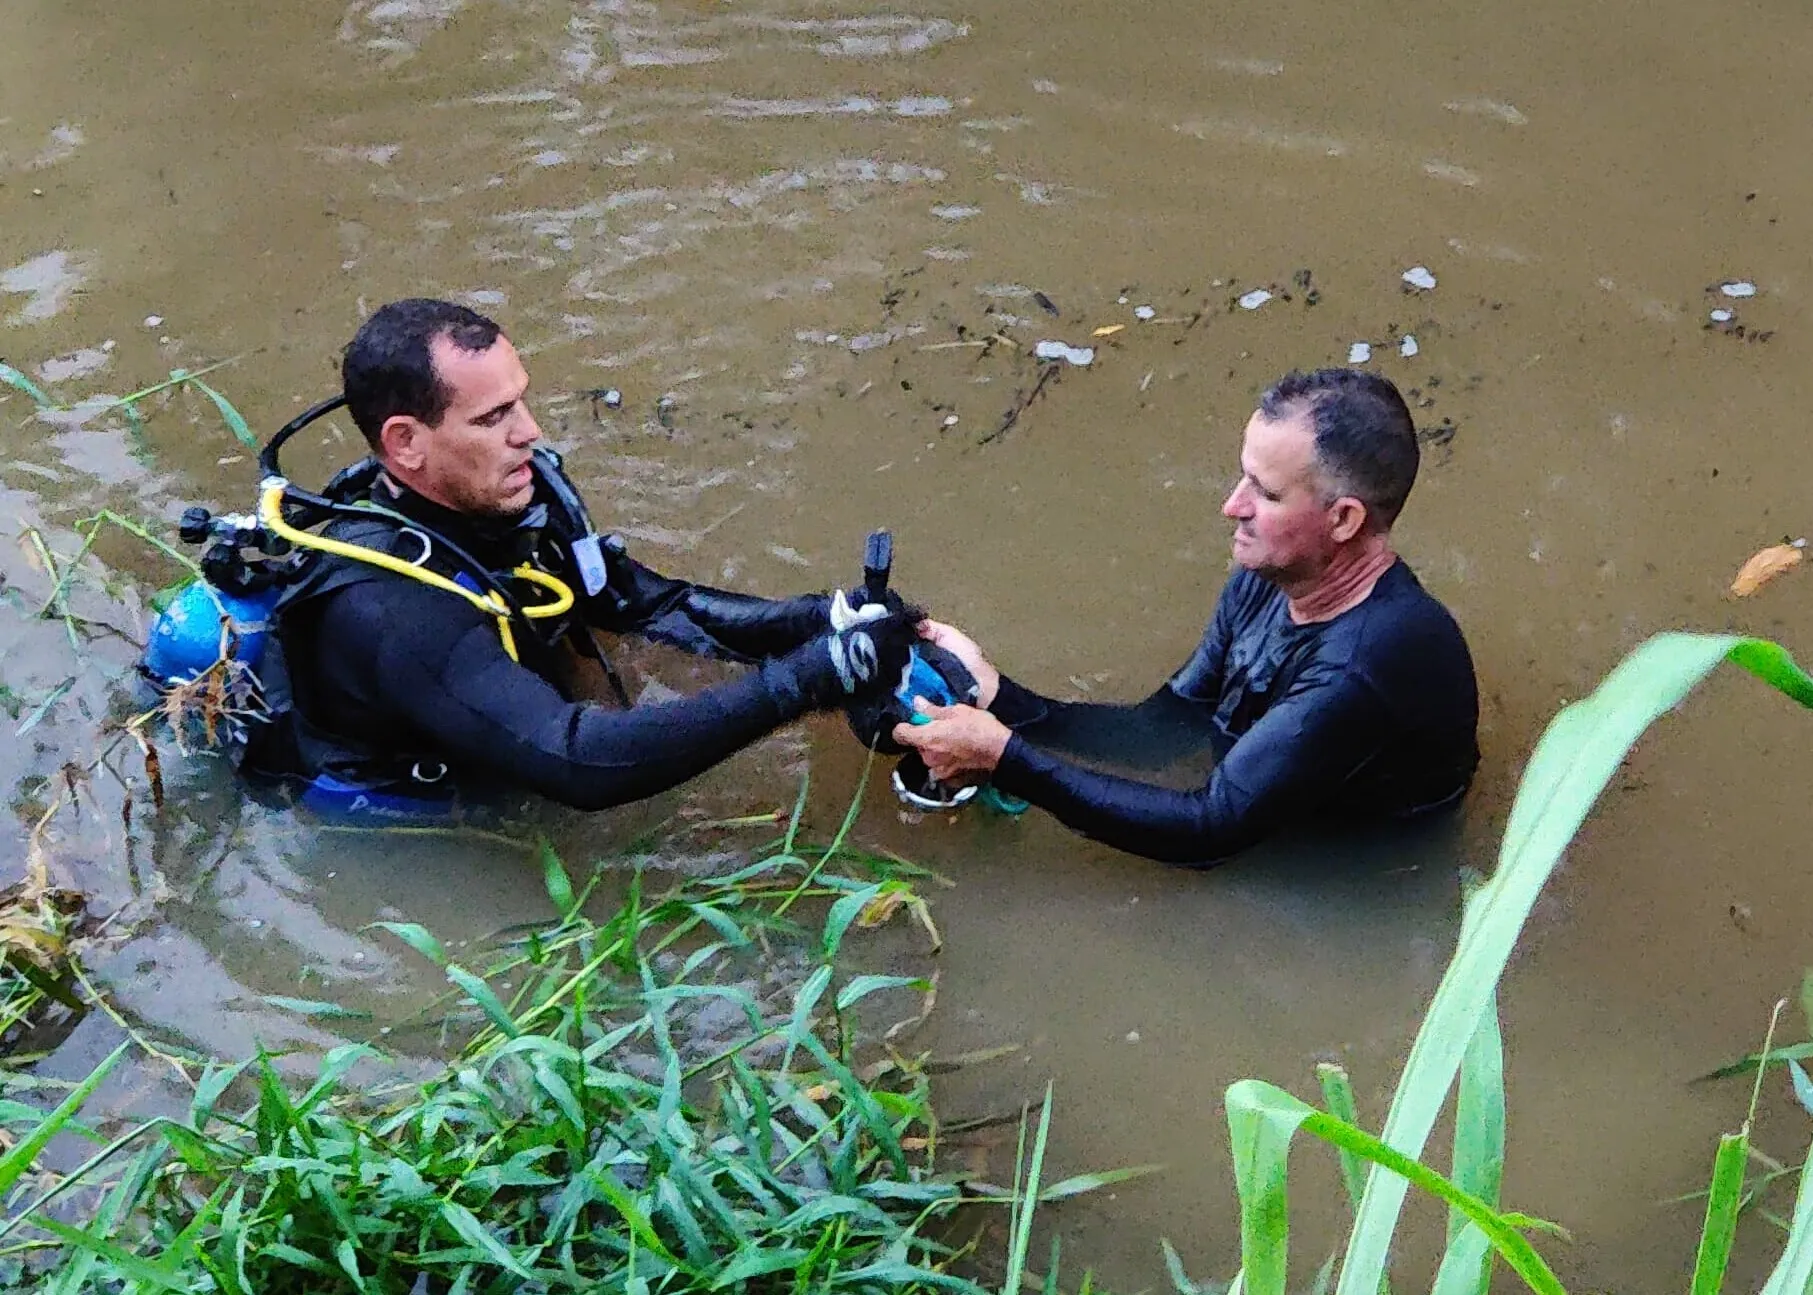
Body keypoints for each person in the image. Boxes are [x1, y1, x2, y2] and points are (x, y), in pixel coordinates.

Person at [240, 298, 920, 815]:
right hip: (411, 814)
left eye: (521, 401)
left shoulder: (510, 494)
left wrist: (821, 620)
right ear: (406, 443)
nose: (529, 433)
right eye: (492, 418)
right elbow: (574, 761)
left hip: (497, 705)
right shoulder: (390, 610)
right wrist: (806, 681)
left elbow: (652, 605)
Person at [893, 367, 1480, 865]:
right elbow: (1166, 731)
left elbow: (1210, 830)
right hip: (1273, 797)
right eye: (1242, 475)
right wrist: (1000, 696)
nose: (1233, 506)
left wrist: (1005, 759)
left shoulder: (1365, 665)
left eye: (1267, 494)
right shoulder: (1267, 580)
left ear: (1345, 520)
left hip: (1364, 868)